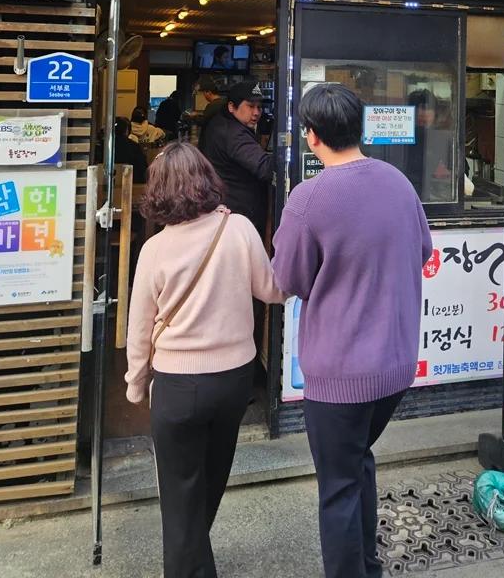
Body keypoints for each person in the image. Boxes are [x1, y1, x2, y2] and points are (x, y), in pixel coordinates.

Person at [272, 84, 432, 578]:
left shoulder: (308, 198)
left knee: (338, 487)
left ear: (312, 135)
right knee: (358, 462)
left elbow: (288, 280)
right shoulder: (398, 182)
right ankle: (368, 566)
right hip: (396, 367)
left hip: (339, 375)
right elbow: (423, 250)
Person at [125, 142, 286, 578]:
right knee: (211, 480)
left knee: (179, 496)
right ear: (207, 179)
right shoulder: (239, 229)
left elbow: (139, 328)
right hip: (234, 381)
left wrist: (136, 383)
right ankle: (196, 561)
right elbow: (272, 290)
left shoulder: (155, 249)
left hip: (177, 385)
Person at [199, 80, 273, 236]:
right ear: (231, 107)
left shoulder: (221, 124)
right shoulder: (234, 134)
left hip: (227, 210)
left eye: (259, 107)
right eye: (250, 106)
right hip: (238, 215)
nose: (256, 113)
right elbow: (265, 168)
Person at [113, 116, 147, 184]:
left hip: (107, 183)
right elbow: (143, 167)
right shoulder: (134, 146)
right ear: (127, 130)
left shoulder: (104, 146)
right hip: (132, 183)